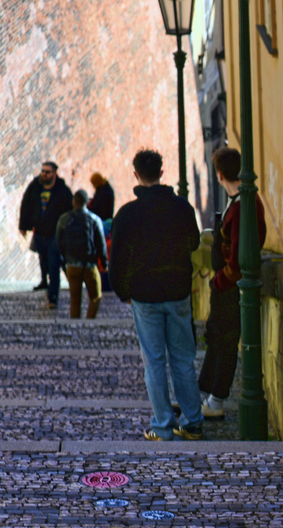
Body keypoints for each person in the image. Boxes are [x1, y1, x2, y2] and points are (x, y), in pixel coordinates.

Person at [109, 149, 203, 441]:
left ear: (136, 175)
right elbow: (194, 242)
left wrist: (123, 291)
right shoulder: (181, 208)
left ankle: (163, 424)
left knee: (154, 360)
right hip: (176, 291)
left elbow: (117, 260)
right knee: (183, 359)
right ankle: (193, 422)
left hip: (145, 295)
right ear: (162, 173)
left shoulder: (127, 214)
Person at [198, 147, 264, 417]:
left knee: (224, 341)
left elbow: (238, 257)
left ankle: (216, 399)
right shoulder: (238, 202)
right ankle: (205, 392)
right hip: (226, 285)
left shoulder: (242, 206)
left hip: (230, 287)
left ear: (221, 174)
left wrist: (220, 282)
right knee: (216, 337)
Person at [17, 160, 74, 306]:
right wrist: (24, 225)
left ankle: (53, 296)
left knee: (54, 263)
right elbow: (26, 204)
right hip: (40, 231)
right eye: (42, 171)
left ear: (54, 173)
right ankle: (45, 281)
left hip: (55, 233)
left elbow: (70, 211)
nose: (44, 174)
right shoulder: (35, 186)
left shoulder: (62, 190)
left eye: (47, 172)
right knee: (44, 259)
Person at [54, 190, 107, 320]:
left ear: (74, 201)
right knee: (96, 297)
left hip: (72, 265)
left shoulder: (64, 219)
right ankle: (89, 321)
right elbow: (101, 243)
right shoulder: (94, 219)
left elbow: (58, 242)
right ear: (87, 202)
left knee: (75, 300)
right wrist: (104, 263)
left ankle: (75, 324)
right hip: (89, 265)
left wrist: (63, 261)